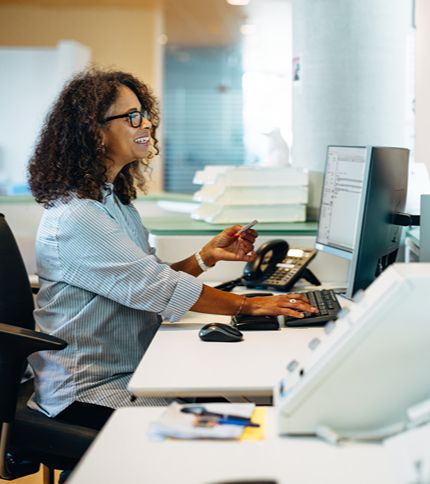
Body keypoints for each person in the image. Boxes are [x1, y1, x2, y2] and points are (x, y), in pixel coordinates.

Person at [27, 68, 317, 431]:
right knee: (247, 427)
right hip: (90, 391)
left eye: (144, 113)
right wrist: (249, 305)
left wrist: (205, 257)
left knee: (248, 414)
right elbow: (157, 288)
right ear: (94, 131)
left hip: (133, 371)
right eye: (132, 117)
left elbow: (148, 275)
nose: (146, 124)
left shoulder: (111, 202)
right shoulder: (78, 216)